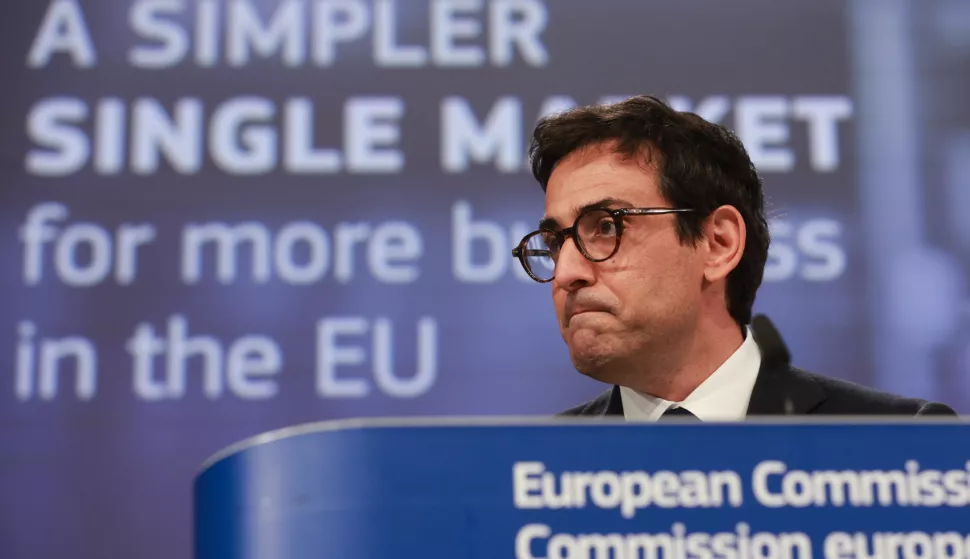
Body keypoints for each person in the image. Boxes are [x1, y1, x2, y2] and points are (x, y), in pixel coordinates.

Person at [511, 95, 957, 419]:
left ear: (718, 244)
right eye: (555, 244)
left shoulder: (896, 447)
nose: (566, 273)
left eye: (606, 227)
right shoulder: (531, 473)